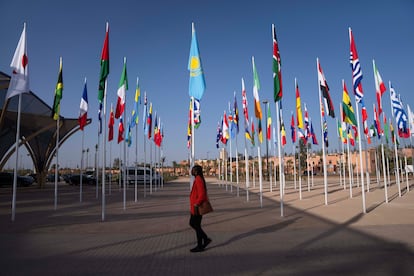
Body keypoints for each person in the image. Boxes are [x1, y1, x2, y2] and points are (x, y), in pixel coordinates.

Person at [189, 165, 212, 253]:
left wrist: (196, 203)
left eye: (192, 170)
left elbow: (202, 194)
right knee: (196, 225)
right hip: (194, 207)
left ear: (196, 171)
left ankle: (203, 241)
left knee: (194, 224)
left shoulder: (198, 179)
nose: (191, 171)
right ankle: (203, 242)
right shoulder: (198, 179)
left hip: (197, 207)